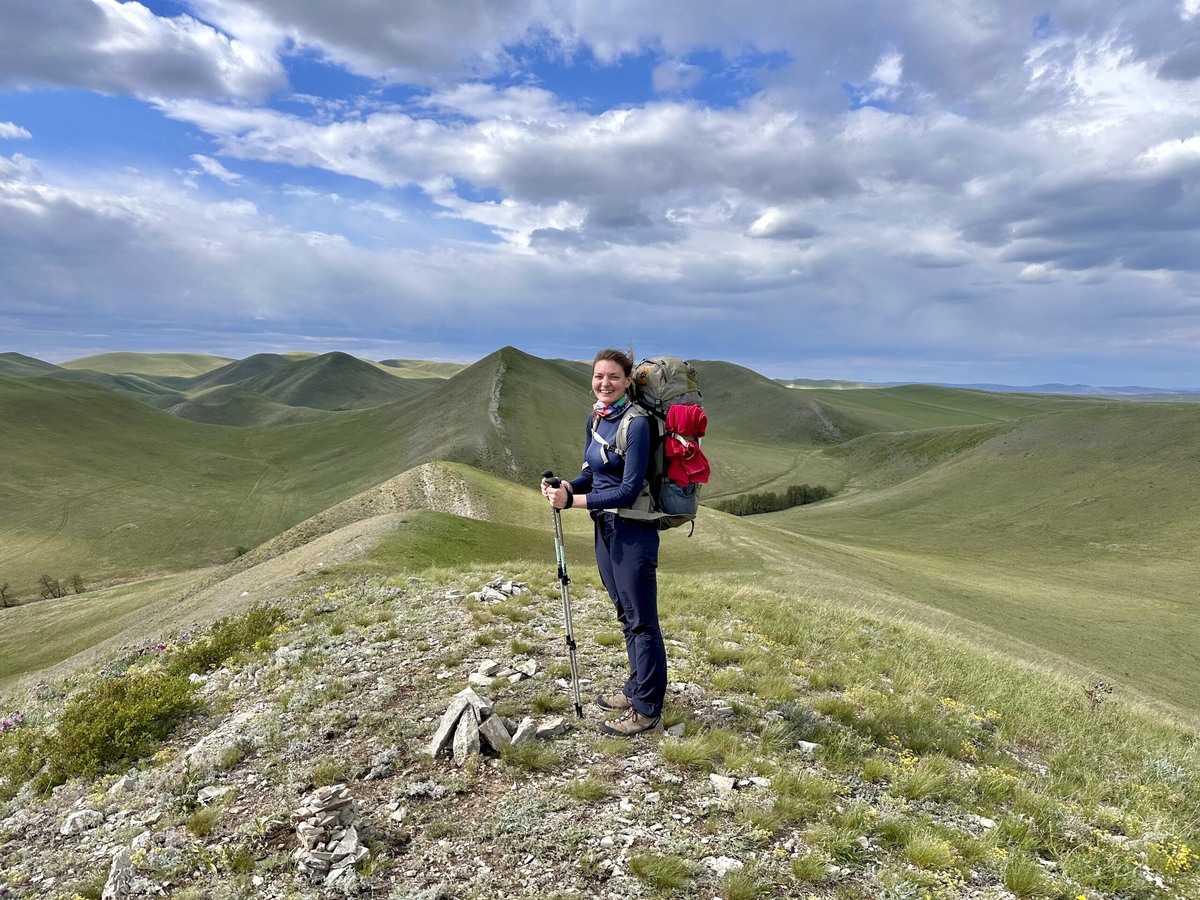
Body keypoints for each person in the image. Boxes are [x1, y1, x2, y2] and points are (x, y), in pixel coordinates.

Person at [541, 348, 666, 736]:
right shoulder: (597, 418)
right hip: (606, 528)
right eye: (599, 376)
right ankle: (635, 688)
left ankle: (647, 710)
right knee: (625, 613)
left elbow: (628, 490)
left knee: (642, 620)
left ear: (628, 381)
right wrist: (564, 486)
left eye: (613, 376)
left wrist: (572, 502)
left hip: (633, 530)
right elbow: (590, 474)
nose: (605, 383)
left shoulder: (638, 424)